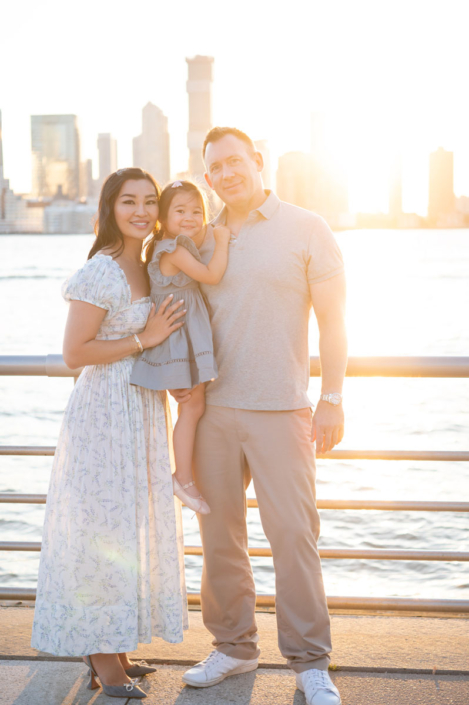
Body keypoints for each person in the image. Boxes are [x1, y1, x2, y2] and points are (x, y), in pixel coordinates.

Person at [172, 128, 347, 705]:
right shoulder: (201, 236)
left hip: (283, 409)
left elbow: (334, 323)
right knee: (218, 536)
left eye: (233, 162)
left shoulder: (307, 228)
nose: (225, 174)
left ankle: (310, 662)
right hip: (213, 411)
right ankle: (234, 647)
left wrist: (333, 397)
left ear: (257, 162)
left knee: (295, 536)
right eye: (213, 168)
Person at [31, 168, 188, 700]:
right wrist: (145, 338)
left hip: (139, 410)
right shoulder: (102, 270)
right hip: (104, 414)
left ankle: (114, 649)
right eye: (129, 202)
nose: (141, 211)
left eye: (149, 201)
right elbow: (76, 353)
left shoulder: (146, 265)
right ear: (110, 208)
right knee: (102, 532)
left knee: (126, 531)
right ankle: (102, 658)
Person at [130, 180, 231, 514]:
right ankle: (183, 477)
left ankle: (182, 475)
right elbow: (211, 275)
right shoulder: (172, 250)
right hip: (177, 336)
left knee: (192, 406)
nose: (191, 217)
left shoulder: (170, 243)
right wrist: (224, 240)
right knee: (192, 407)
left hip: (181, 334)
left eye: (197, 211)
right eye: (181, 211)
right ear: (163, 217)